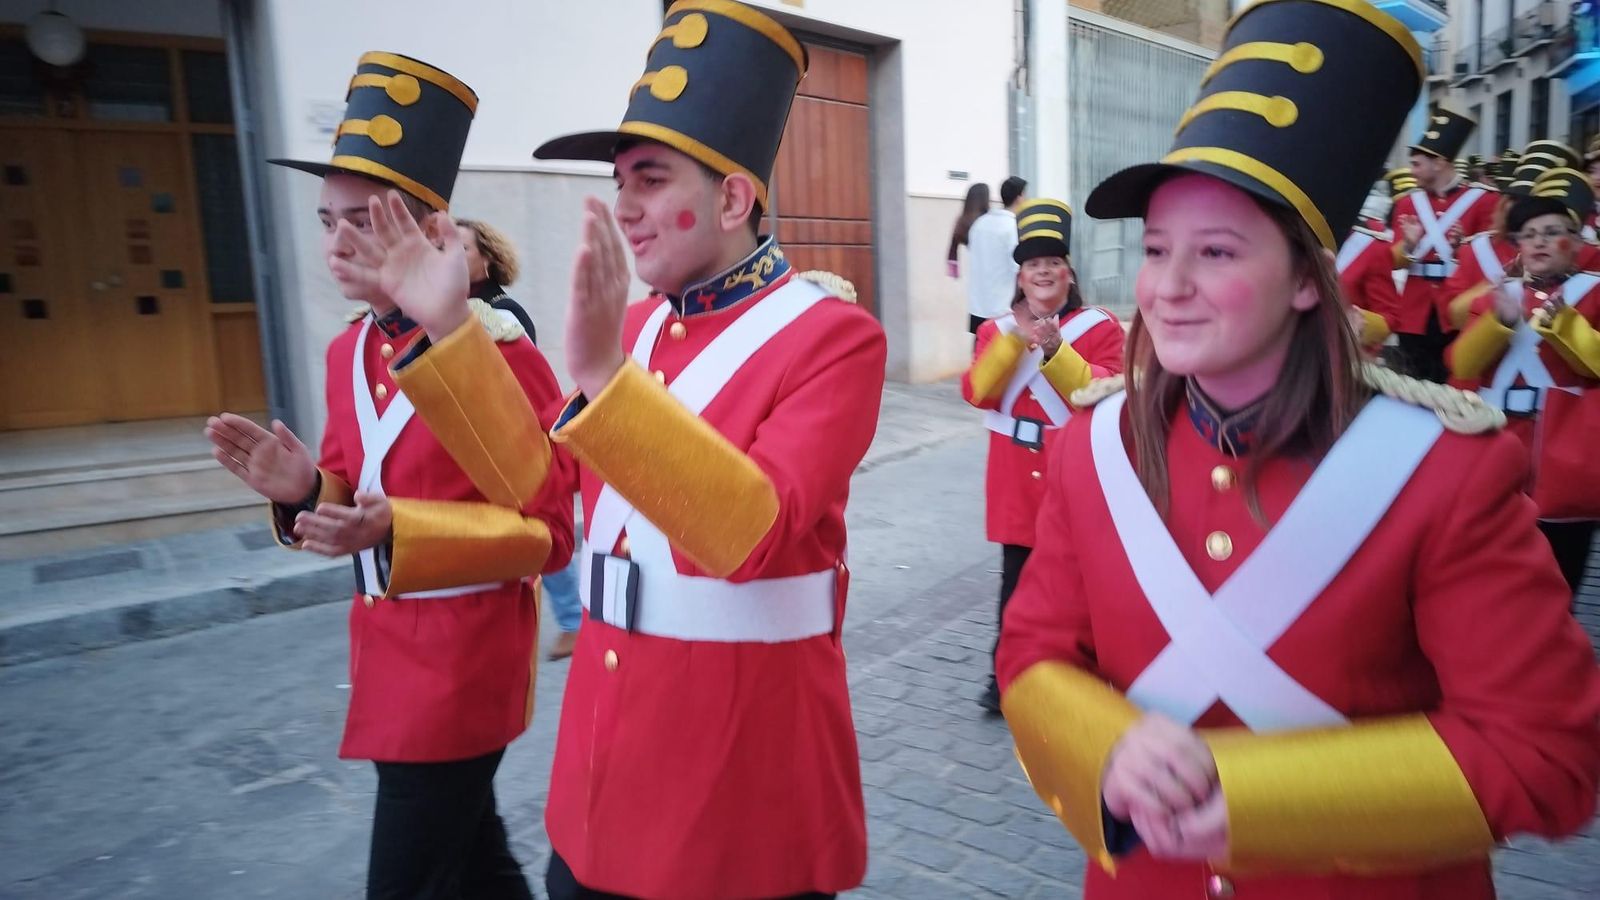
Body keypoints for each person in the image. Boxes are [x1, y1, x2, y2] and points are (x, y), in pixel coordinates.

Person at [996, 4, 1600, 898]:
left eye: (1217, 250)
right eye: (1158, 249)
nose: (1169, 287)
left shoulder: (1446, 470)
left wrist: (1268, 800)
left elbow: (1549, 754)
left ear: (1308, 284)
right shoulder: (1096, 449)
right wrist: (1102, 742)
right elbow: (1032, 654)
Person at [334, 5, 886, 898]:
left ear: (734, 198)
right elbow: (541, 494)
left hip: (745, 767)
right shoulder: (634, 326)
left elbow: (754, 533)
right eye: (619, 180)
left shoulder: (834, 337)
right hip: (608, 746)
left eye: (650, 179)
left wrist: (600, 373)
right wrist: (444, 324)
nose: (623, 207)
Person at [204, 52, 575, 899]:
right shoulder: (346, 352)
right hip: (386, 657)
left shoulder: (497, 353)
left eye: (361, 222)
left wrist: (399, 532)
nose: (336, 243)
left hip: (465, 665)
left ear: (426, 232)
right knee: (475, 864)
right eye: (326, 220)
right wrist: (303, 490)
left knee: (407, 882)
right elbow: (349, 487)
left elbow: (553, 536)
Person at [961, 198, 1124, 715]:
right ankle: (1004, 680)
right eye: (1033, 263)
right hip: (1013, 478)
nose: (1043, 271)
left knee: (1081, 585)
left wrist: (1057, 351)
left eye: (1052, 261)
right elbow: (978, 392)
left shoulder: (1100, 328)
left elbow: (1105, 390)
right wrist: (1014, 339)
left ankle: (1081, 677)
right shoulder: (993, 331)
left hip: (1071, 471)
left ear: (1069, 271)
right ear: (1021, 275)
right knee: (1015, 586)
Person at [1447, 167, 1600, 593]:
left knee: (1560, 576)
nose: (1539, 242)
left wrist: (1568, 327)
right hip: (1496, 445)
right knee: (1491, 569)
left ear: (1577, 241)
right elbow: (1462, 363)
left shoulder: (1595, 291)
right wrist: (1497, 322)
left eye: (1553, 232)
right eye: (1529, 234)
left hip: (1566, 457)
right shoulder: (1497, 295)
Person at [456, 215, 583, 659]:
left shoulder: (501, 315)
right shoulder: (448, 311)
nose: (451, 256)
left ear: (486, 260)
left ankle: (573, 620)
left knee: (541, 532)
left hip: (513, 446)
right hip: (479, 444)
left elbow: (519, 389)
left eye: (463, 249)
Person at [1389, 106, 1498, 383]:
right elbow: (1393, 261)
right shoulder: (1407, 203)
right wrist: (1409, 246)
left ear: (1439, 162)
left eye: (1417, 163)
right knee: (1412, 383)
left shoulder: (1484, 201)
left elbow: (1492, 260)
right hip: (1415, 312)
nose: (1411, 170)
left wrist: (1463, 249)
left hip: (1457, 307)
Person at [1336, 183, 1401, 356]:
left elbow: (1388, 317)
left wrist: (1355, 325)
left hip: (1345, 355)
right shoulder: (1294, 238)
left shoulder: (1372, 248)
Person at [966, 175, 1029, 333]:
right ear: (1020, 197)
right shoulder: (1013, 227)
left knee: (980, 355)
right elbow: (1017, 267)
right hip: (1003, 310)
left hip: (978, 307)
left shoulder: (980, 223)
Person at [947, 181, 992, 278]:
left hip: (975, 270)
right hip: (993, 269)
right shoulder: (988, 220)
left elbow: (953, 247)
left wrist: (954, 271)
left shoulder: (963, 221)